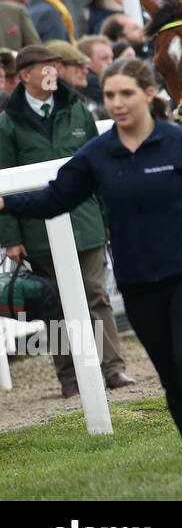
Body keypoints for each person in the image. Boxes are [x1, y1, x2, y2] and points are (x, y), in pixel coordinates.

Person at [0, 57, 182, 493]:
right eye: (109, 95)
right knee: (171, 376)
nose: (117, 103)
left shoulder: (177, 143)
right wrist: (6, 204)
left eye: (126, 93)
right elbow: (55, 199)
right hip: (139, 283)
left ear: (149, 94)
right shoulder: (97, 154)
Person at [0, 45, 133, 399]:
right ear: (24, 75)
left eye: (55, 67)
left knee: (96, 294)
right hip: (37, 229)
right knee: (56, 304)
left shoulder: (78, 110)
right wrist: (11, 238)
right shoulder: (7, 123)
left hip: (86, 220)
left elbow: (100, 166)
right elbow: (5, 183)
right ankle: (70, 377)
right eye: (45, 67)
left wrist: (108, 217)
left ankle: (112, 368)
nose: (52, 72)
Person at [76, 35, 114, 116]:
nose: (110, 62)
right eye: (104, 58)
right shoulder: (90, 81)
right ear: (87, 61)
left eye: (111, 57)